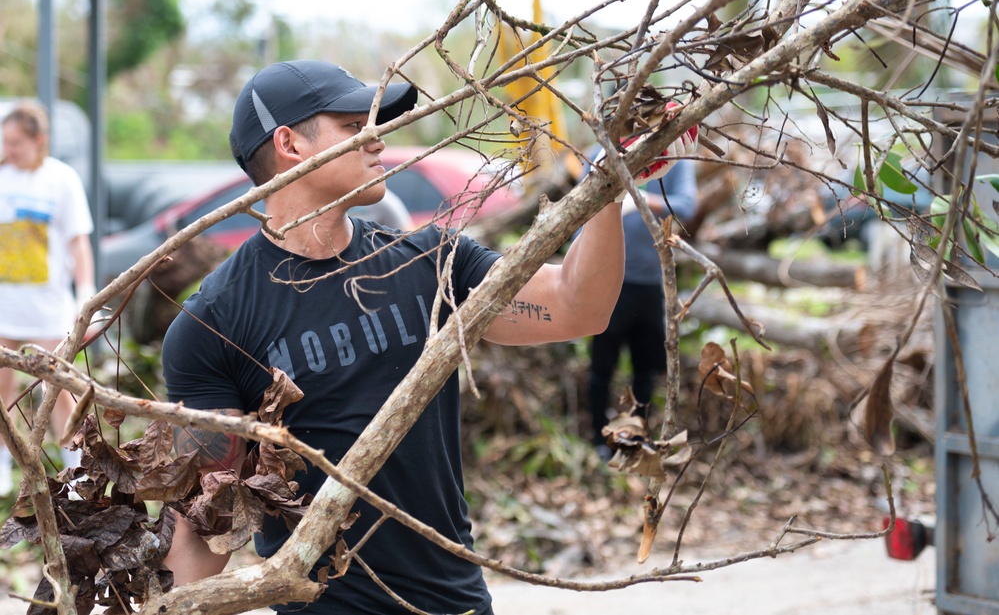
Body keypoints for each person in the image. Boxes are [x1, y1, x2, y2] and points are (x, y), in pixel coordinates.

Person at [158, 59, 656, 615]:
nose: (378, 139)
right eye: (353, 126)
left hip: (456, 603)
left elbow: (576, 306)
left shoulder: (432, 263)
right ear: (290, 143)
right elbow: (206, 528)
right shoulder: (215, 321)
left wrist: (606, 184)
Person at [0, 100, 95, 496]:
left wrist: (85, 296)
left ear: (39, 141)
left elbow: (79, 246)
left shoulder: (62, 179)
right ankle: (3, 472)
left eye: (15, 142)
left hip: (49, 313)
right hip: (5, 311)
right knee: (2, 395)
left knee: (58, 395)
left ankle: (76, 478)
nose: (8, 149)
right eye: (4, 141)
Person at [583, 151, 698, 457]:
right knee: (601, 368)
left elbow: (686, 205)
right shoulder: (603, 154)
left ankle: (634, 441)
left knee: (645, 371)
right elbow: (580, 212)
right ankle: (598, 439)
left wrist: (639, 200)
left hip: (649, 283)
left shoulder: (673, 158)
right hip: (609, 283)